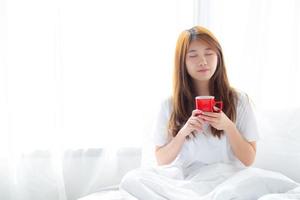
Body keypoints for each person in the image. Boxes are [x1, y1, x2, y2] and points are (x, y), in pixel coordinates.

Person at [119, 26, 259, 199]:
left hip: (227, 178)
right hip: (187, 182)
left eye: (209, 53)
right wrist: (183, 132)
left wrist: (228, 126)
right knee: (132, 179)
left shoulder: (239, 100)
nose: (203, 61)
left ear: (219, 57)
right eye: (193, 55)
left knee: (227, 193)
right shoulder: (169, 105)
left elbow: (249, 159)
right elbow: (162, 160)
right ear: (182, 62)